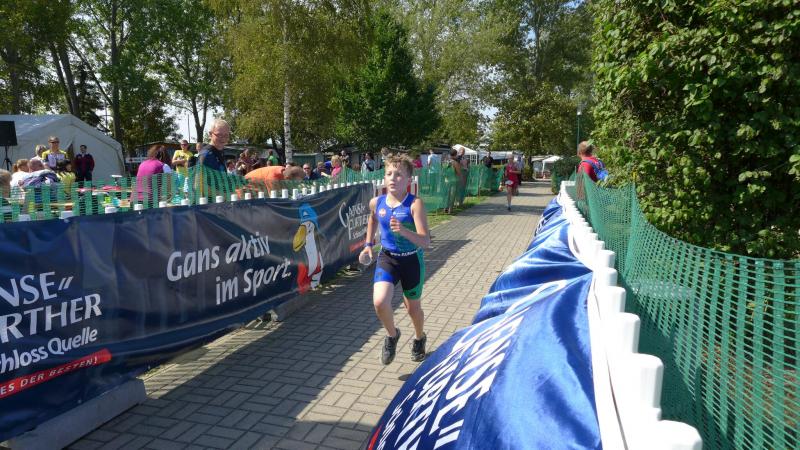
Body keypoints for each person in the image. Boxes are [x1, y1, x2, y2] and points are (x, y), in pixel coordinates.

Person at [360, 153, 431, 365]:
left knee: (413, 309)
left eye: (399, 174)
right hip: (387, 259)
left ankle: (419, 337)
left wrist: (404, 231)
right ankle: (392, 335)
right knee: (380, 302)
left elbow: (425, 241)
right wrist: (368, 245)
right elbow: (372, 219)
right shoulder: (377, 202)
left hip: (411, 261)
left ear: (408, 179)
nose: (393, 178)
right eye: (389, 173)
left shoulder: (414, 204)